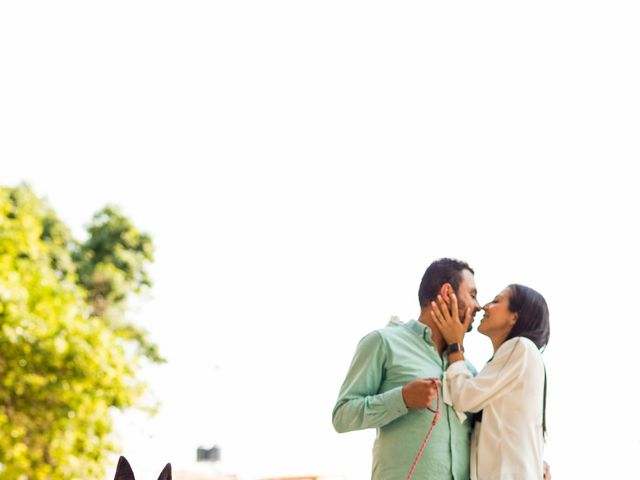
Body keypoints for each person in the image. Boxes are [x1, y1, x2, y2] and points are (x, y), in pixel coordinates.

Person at [332, 258, 481, 479]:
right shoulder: (383, 342)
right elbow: (342, 416)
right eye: (472, 294)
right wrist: (402, 398)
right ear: (447, 292)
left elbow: (490, 431)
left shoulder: (466, 369)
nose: (478, 306)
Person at [431, 284, 550, 480]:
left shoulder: (520, 347)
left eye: (496, 301)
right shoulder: (509, 361)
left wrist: (455, 345)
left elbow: (463, 398)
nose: (485, 306)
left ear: (515, 316)